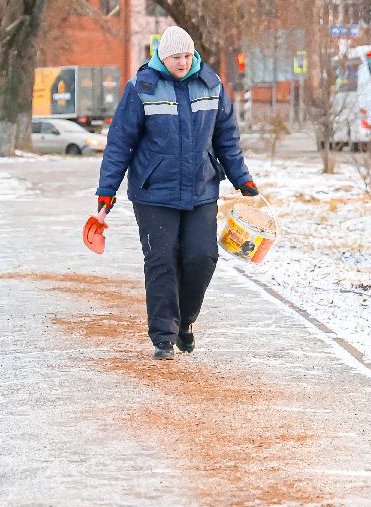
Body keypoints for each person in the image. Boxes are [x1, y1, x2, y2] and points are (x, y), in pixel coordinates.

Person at [95, 26, 257, 360]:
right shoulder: (142, 88)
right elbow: (119, 145)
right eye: (175, 57)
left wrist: (243, 180)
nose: (182, 62)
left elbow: (227, 138)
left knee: (202, 256)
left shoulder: (211, 86)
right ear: (161, 57)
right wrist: (106, 192)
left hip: (201, 188)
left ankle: (185, 321)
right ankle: (163, 337)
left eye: (187, 55)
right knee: (161, 259)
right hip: (153, 193)